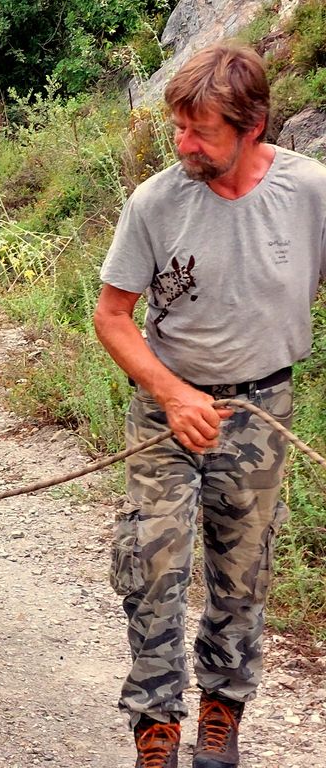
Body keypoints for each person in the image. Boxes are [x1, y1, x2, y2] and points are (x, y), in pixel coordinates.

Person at [94, 42, 326, 768]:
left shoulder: (311, 190)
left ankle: (223, 712)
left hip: (262, 407)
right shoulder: (156, 202)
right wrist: (171, 393)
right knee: (154, 562)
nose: (184, 145)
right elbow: (112, 315)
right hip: (167, 409)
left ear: (253, 126)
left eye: (202, 132)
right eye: (178, 129)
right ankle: (155, 725)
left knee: (243, 567)